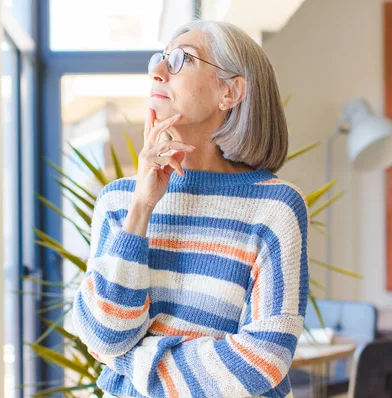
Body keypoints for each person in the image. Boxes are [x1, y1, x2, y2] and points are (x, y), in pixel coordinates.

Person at [70, 19, 310, 398]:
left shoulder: (275, 208)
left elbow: (264, 357)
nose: (157, 70)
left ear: (230, 92)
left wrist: (131, 365)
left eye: (181, 60)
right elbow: (105, 334)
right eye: (160, 58)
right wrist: (141, 208)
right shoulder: (119, 202)